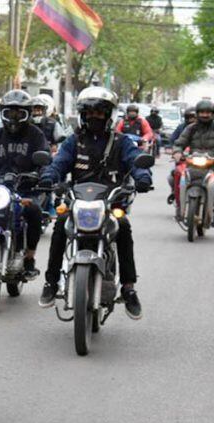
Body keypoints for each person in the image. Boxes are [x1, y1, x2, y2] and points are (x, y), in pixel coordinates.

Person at [38, 86, 152, 320]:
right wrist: (50, 176)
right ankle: (50, 282)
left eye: (99, 113)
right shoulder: (73, 141)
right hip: (79, 200)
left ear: (109, 115)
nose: (94, 117)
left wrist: (142, 177)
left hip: (110, 201)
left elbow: (136, 162)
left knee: (124, 228)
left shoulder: (122, 142)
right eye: (89, 113)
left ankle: (129, 288)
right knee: (60, 224)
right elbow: (59, 163)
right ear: (82, 115)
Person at [0, 89, 48, 279]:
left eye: (19, 113)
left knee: (35, 211)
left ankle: (29, 258)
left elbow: (45, 158)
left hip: (25, 189)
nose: (14, 118)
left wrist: (42, 175)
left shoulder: (36, 135)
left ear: (28, 115)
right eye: (9, 113)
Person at [169, 100, 214, 213]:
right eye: (202, 112)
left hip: (212, 163)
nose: (205, 115)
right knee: (177, 174)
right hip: (193, 163)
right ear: (197, 114)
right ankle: (179, 205)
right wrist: (177, 153)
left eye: (208, 112)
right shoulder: (191, 128)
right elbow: (179, 143)